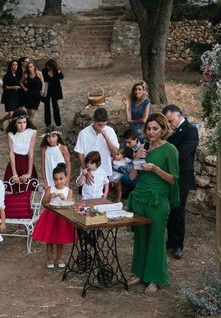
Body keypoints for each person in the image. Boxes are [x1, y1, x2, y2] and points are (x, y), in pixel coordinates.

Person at [127, 113, 179, 295]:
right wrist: (137, 158)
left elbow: (174, 179)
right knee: (141, 237)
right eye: (148, 129)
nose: (150, 132)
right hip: (140, 198)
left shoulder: (170, 150)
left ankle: (155, 278)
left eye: (155, 128)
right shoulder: (143, 146)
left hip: (158, 200)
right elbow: (132, 176)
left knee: (156, 239)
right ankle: (140, 273)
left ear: (163, 129)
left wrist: (156, 169)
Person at [162, 104, 198, 260]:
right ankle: (170, 240)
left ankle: (177, 244)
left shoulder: (190, 130)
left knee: (178, 210)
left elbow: (182, 153)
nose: (169, 124)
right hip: (167, 175)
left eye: (171, 120)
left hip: (182, 176)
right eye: (167, 122)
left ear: (180, 115)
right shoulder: (168, 131)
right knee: (168, 209)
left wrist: (164, 155)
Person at [32, 163, 75, 268]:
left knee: (60, 239)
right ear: (53, 179)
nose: (58, 181)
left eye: (61, 179)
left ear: (65, 178)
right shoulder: (50, 189)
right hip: (50, 216)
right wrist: (50, 195)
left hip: (62, 217)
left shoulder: (68, 191)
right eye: (56, 179)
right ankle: (50, 259)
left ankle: (59, 258)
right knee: (49, 239)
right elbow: (44, 202)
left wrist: (64, 199)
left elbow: (70, 203)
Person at [74, 107, 118, 188]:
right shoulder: (83, 133)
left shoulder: (110, 131)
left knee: (101, 198)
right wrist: (86, 172)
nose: (101, 127)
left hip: (104, 170)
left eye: (104, 125)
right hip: (88, 170)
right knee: (86, 197)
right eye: (99, 125)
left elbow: (115, 152)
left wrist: (106, 137)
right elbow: (80, 154)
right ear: (93, 120)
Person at [4, 110, 37, 185]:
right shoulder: (10, 134)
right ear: (15, 123)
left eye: (24, 122)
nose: (22, 125)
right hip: (14, 163)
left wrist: (29, 173)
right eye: (19, 123)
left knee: (26, 190)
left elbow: (31, 154)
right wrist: (14, 174)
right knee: (11, 190)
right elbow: (11, 154)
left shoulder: (32, 132)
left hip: (26, 163)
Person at [0, 60, 22, 132]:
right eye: (14, 65)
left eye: (16, 65)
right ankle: (1, 121)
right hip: (8, 96)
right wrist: (13, 87)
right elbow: (5, 87)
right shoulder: (7, 75)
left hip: (17, 96)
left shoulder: (18, 75)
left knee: (15, 114)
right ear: (11, 66)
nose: (15, 66)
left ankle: (11, 129)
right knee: (11, 114)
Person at [41, 59, 64, 127]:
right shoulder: (44, 70)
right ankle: (48, 123)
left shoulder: (56, 71)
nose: (47, 67)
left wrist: (58, 71)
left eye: (49, 66)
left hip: (55, 91)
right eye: (47, 65)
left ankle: (58, 123)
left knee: (55, 107)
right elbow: (42, 80)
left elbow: (62, 77)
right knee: (46, 107)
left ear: (52, 66)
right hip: (46, 90)